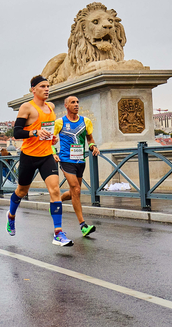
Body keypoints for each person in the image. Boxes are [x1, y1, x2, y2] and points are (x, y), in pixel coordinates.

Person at [7, 75, 72, 247]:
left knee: (55, 190)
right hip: (29, 156)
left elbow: (48, 131)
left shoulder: (50, 107)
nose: (47, 89)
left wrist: (53, 139)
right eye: (43, 86)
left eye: (48, 86)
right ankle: (11, 216)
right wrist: (34, 133)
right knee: (21, 191)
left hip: (46, 156)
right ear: (33, 89)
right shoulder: (27, 107)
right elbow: (17, 132)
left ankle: (58, 232)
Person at [54, 95, 100, 238]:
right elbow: (50, 140)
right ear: (66, 105)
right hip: (66, 160)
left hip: (80, 160)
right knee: (76, 188)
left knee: (75, 192)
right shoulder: (60, 122)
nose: (76, 104)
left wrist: (93, 146)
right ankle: (83, 225)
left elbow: (90, 139)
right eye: (72, 102)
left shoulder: (85, 121)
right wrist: (53, 152)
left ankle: (57, 201)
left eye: (77, 102)